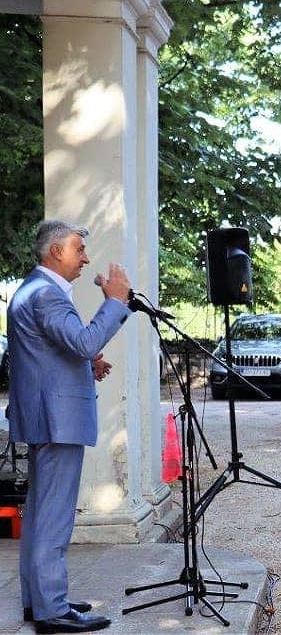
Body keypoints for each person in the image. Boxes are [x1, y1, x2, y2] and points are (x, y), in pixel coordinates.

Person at [9, 220, 131, 633]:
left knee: (40, 515)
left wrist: (85, 364)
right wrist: (115, 302)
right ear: (55, 251)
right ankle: (53, 610)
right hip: (57, 422)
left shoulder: (32, 290)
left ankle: (39, 601)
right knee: (54, 518)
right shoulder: (47, 294)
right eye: (79, 249)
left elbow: (48, 353)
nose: (85, 258)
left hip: (45, 418)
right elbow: (82, 341)